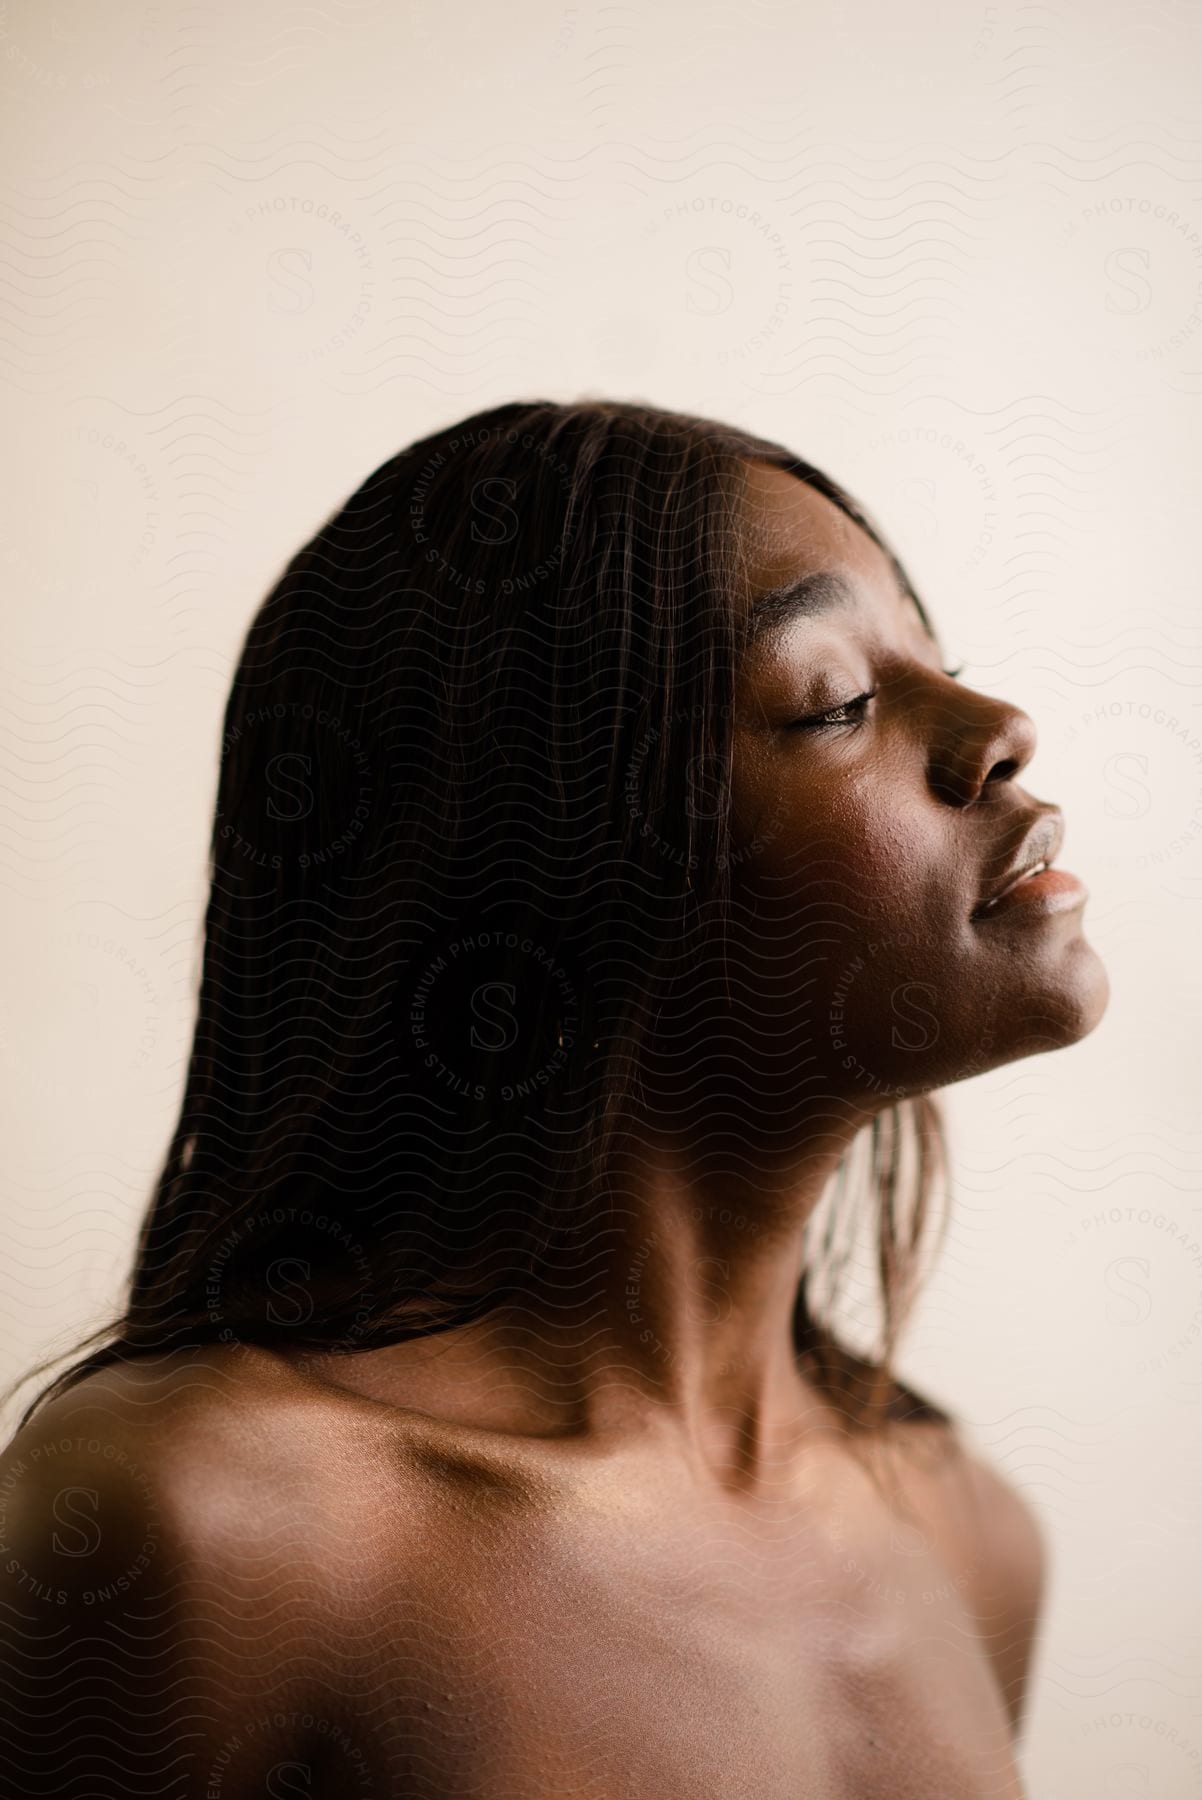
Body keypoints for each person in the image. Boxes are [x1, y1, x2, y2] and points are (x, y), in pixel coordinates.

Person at [0, 399, 1109, 1798]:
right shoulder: (206, 1522)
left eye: (936, 663)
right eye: (833, 699)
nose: (1001, 727)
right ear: (546, 860)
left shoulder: (963, 1536)